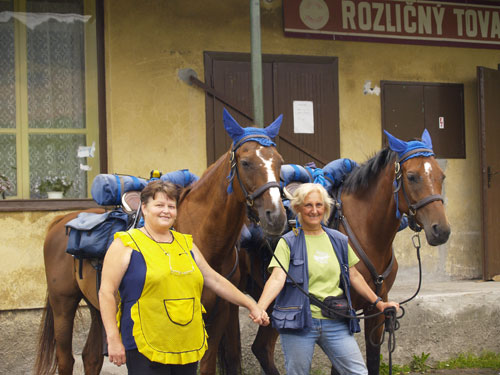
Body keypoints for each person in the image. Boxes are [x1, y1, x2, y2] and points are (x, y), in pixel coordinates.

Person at [99, 180, 269, 374]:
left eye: (171, 206)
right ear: (144, 208)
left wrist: (251, 304)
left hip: (186, 342)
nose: (166, 211)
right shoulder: (125, 244)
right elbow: (106, 292)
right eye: (159, 205)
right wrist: (112, 338)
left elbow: (214, 280)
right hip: (144, 343)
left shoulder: (186, 244)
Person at [257, 183, 399, 375]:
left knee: (358, 372)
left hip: (335, 321)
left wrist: (378, 303)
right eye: (308, 205)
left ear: (325, 208)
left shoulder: (339, 240)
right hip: (299, 323)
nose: (314, 211)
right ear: (297, 208)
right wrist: (260, 307)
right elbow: (276, 278)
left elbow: (354, 275)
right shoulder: (288, 242)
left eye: (319, 205)